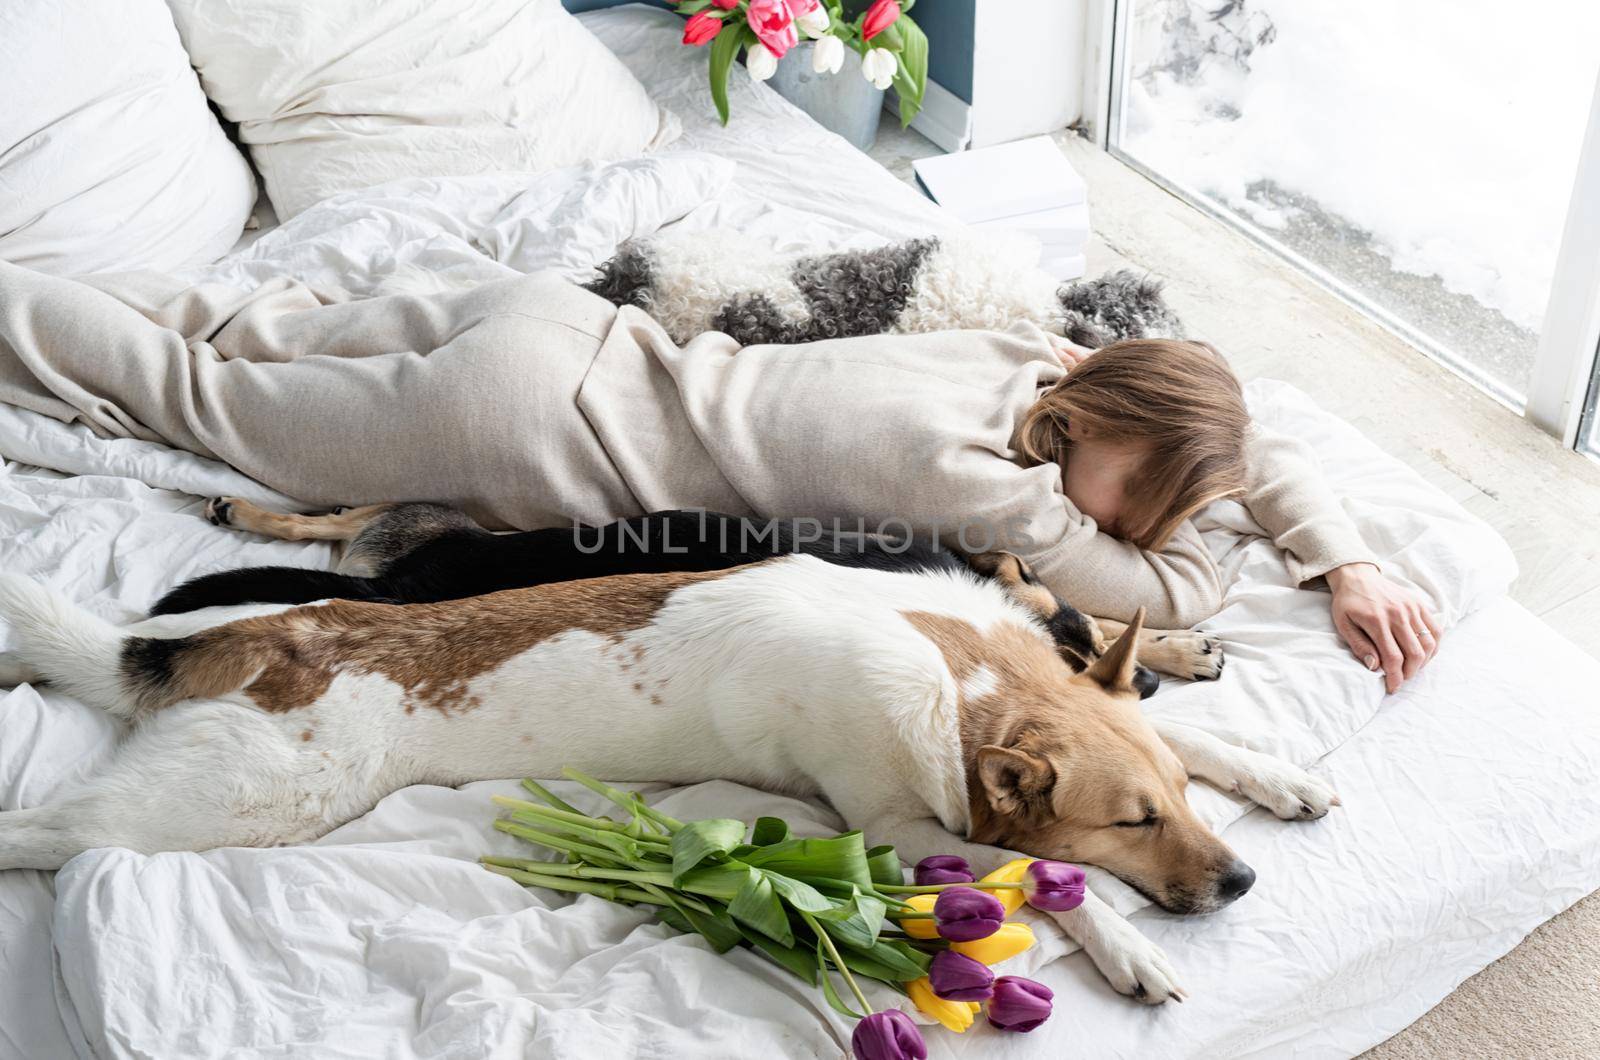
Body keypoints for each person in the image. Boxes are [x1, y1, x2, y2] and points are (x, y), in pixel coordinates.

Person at [0, 264, 1437, 690]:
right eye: (1147, 488)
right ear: (1108, 433)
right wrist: (1293, 546)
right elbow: (1173, 583)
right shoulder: (991, 494)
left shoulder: (1024, 360)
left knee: (237, 339)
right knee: (187, 397)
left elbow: (1247, 447)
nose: (1144, 521)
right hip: (513, 433)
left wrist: (1344, 549)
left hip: (564, 326)